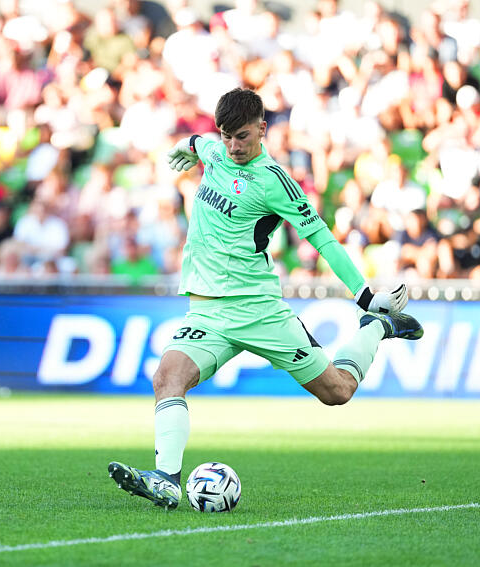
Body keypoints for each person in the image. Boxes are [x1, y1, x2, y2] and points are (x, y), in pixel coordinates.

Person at [107, 88, 424, 508]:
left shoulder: (275, 182)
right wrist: (184, 146)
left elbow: (322, 239)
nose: (233, 146)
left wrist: (365, 297)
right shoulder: (216, 150)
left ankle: (376, 328)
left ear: (261, 128)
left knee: (337, 391)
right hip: (207, 310)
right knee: (167, 378)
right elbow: (197, 142)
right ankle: (166, 479)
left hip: (259, 311)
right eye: (226, 136)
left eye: (241, 136)